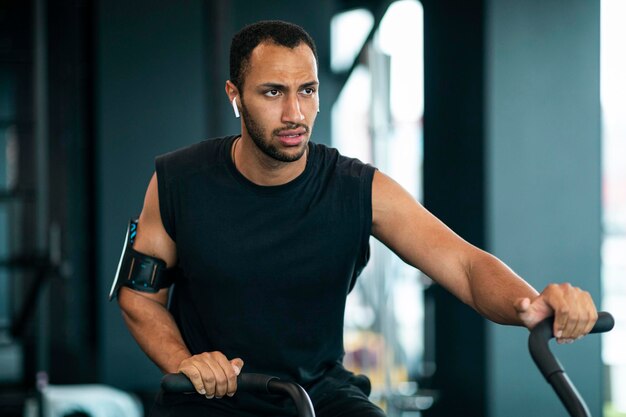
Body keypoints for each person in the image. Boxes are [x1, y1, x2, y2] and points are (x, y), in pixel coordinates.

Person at [114, 20, 598, 417]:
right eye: (272, 92)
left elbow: (466, 267)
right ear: (234, 95)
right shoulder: (178, 180)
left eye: (307, 90)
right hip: (209, 400)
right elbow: (140, 297)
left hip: (318, 395)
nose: (294, 113)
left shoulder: (356, 188)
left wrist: (531, 304)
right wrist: (188, 363)